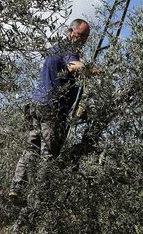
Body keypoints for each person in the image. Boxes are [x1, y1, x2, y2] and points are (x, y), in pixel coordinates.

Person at [9, 19, 90, 202]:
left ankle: (17, 188)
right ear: (70, 31)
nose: (83, 39)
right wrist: (89, 69)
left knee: (32, 147)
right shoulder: (68, 50)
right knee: (48, 155)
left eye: (86, 37)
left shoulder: (56, 47)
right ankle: (40, 197)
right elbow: (73, 66)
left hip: (36, 105)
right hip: (51, 109)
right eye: (80, 35)